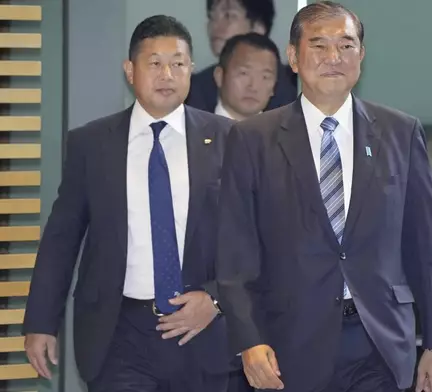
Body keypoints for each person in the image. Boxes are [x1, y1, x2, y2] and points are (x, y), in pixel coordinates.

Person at [214, 2, 432, 392]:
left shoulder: (400, 133)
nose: (333, 58)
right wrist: (248, 340)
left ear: (362, 54)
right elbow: (235, 253)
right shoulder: (253, 139)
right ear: (293, 56)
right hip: (288, 342)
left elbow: (427, 245)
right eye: (319, 46)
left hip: (380, 340)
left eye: (346, 45)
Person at [23, 15, 234, 392]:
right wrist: (41, 321)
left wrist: (216, 298)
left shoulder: (227, 139)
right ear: (129, 70)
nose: (167, 74)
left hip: (202, 330)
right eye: (154, 63)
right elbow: (62, 237)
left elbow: (250, 238)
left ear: (191, 70)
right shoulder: (92, 144)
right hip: (119, 332)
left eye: (178, 63)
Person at [186, 0, 296, 113]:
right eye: (212, 17)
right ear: (219, 75)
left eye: (229, 15)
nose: (215, 25)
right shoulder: (194, 86)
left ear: (258, 28)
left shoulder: (293, 91)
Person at [214, 32, 279, 121]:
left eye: (265, 77)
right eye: (244, 73)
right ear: (219, 76)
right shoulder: (194, 131)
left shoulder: (288, 134)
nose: (253, 87)